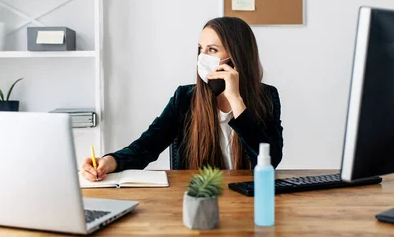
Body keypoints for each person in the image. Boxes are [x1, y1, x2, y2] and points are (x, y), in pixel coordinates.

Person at [80, 17, 283, 181]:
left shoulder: (267, 97)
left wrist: (236, 100)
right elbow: (145, 147)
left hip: (249, 201)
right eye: (200, 49)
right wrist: (109, 161)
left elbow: (270, 161)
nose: (202, 57)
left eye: (212, 49)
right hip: (200, 199)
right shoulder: (185, 98)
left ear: (236, 56)